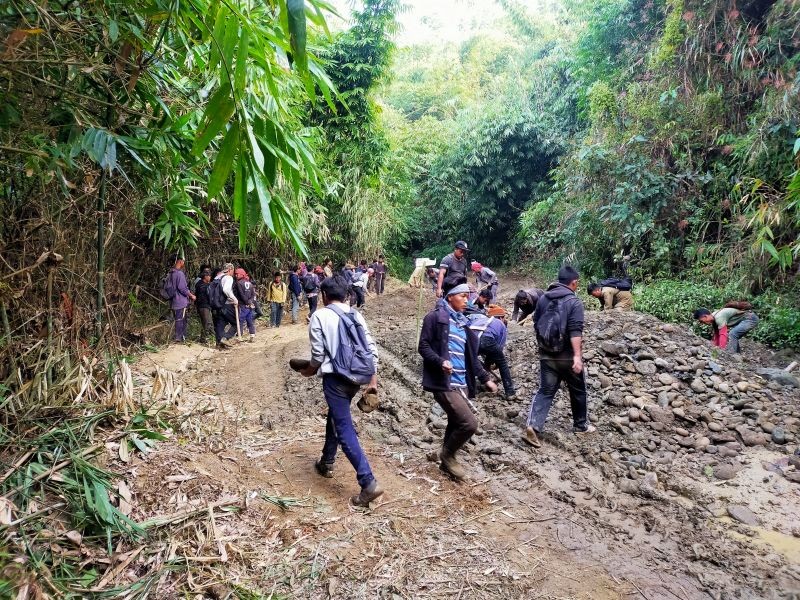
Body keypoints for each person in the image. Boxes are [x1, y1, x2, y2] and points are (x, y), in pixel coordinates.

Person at [298, 275, 383, 507]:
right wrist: (372, 380)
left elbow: (317, 355)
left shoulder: (319, 315)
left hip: (335, 379)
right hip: (357, 377)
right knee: (336, 416)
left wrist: (308, 371)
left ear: (324, 296)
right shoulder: (356, 314)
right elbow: (370, 348)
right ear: (346, 295)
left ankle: (368, 483)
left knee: (344, 427)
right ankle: (327, 461)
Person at [418, 282, 498, 481]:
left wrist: (485, 378)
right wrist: (440, 361)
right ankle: (447, 455)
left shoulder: (464, 324)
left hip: (461, 382)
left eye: (467, 296)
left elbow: (471, 359)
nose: (466, 300)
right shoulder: (435, 318)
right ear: (450, 297)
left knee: (455, 422)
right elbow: (423, 346)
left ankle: (446, 463)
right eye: (462, 296)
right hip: (444, 383)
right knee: (469, 424)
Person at [523, 265, 595, 448]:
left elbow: (536, 323)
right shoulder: (574, 302)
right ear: (574, 282)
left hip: (547, 355)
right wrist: (577, 357)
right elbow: (575, 331)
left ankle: (533, 426)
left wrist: (543, 347)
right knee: (578, 390)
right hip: (567, 357)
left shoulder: (542, 299)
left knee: (545, 391)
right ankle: (580, 425)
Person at [468, 305, 516, 400]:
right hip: (487, 339)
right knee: (502, 363)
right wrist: (493, 362)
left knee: (471, 361)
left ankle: (471, 392)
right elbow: (499, 347)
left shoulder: (480, 320)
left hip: (470, 339)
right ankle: (510, 392)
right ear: (501, 317)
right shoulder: (500, 323)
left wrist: (487, 364)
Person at [694, 304, 759, 353]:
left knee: (733, 334)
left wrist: (721, 351)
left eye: (701, 321)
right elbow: (717, 335)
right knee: (734, 336)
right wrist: (714, 348)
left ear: (705, 316)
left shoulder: (719, 317)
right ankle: (737, 355)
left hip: (750, 319)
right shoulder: (714, 319)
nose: (702, 323)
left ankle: (732, 354)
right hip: (745, 319)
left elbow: (723, 334)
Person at [167, 257, 196, 343]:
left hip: (173, 301)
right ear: (180, 262)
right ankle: (179, 338)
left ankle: (179, 337)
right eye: (183, 262)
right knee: (181, 320)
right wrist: (191, 296)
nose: (184, 264)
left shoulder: (171, 272)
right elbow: (182, 288)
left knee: (178, 319)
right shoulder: (179, 274)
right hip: (180, 301)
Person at [213, 263, 238, 350]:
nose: (233, 273)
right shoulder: (228, 277)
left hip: (217, 305)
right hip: (226, 304)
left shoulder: (217, 277)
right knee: (236, 323)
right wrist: (234, 299)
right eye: (233, 270)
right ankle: (225, 338)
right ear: (230, 269)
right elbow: (226, 290)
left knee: (221, 323)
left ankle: (219, 344)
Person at [234, 268, 257, 342]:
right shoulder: (249, 283)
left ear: (242, 274)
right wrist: (250, 302)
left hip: (243, 305)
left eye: (237, 274)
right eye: (236, 274)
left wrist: (247, 303)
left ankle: (239, 336)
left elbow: (241, 295)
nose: (236, 275)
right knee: (249, 320)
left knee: (240, 320)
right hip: (249, 305)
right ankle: (252, 335)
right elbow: (253, 295)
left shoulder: (239, 283)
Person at [195, 269, 213, 344]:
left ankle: (206, 337)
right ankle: (203, 339)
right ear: (205, 276)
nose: (210, 277)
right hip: (203, 306)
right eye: (209, 276)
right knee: (207, 322)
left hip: (205, 306)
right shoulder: (201, 285)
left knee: (206, 322)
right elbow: (205, 296)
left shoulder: (204, 284)